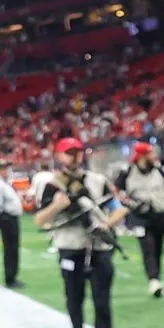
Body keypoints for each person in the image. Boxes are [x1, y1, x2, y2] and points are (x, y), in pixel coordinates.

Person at [35, 137, 128, 328]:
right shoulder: (53, 185)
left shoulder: (97, 180)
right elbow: (40, 220)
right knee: (74, 300)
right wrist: (56, 206)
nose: (75, 157)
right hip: (70, 248)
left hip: (99, 247)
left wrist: (107, 224)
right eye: (69, 153)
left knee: (102, 302)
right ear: (59, 156)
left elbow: (119, 209)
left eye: (78, 152)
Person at [115, 141, 164, 297]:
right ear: (142, 155)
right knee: (148, 247)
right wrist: (128, 202)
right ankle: (153, 279)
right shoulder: (127, 171)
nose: (153, 155)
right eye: (150, 153)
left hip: (159, 214)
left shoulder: (159, 170)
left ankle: (156, 278)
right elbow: (118, 191)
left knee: (157, 248)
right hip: (140, 216)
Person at [0, 160, 24, 288]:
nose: (8, 171)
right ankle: (10, 278)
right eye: (5, 169)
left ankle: (13, 276)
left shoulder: (4, 183)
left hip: (11, 218)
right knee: (10, 249)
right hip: (7, 219)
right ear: (0, 170)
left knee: (13, 249)